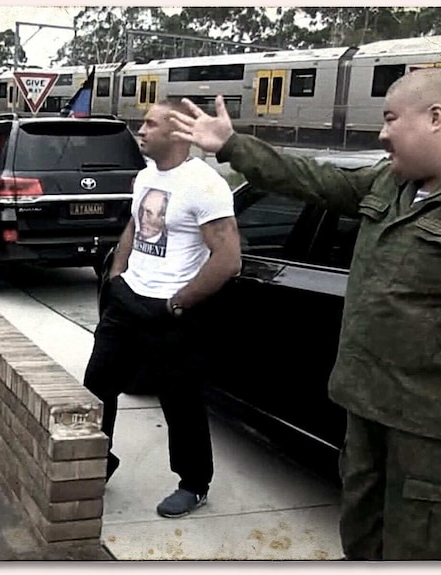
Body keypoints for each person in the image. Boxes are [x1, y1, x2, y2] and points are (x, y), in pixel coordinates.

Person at [168, 68, 441, 560]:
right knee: (360, 527)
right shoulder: (388, 183)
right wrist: (232, 146)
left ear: (435, 119)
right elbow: (314, 179)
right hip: (364, 403)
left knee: (415, 544)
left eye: (390, 119)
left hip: (424, 426)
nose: (380, 133)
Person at [84, 101, 241, 518]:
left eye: (150, 124)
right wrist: (117, 275)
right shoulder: (145, 175)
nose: (141, 129)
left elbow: (228, 259)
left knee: (180, 401)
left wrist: (177, 302)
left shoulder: (204, 185)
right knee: (96, 386)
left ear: (176, 133)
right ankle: (98, 464)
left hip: (170, 311)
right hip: (127, 299)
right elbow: (135, 226)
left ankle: (193, 483)